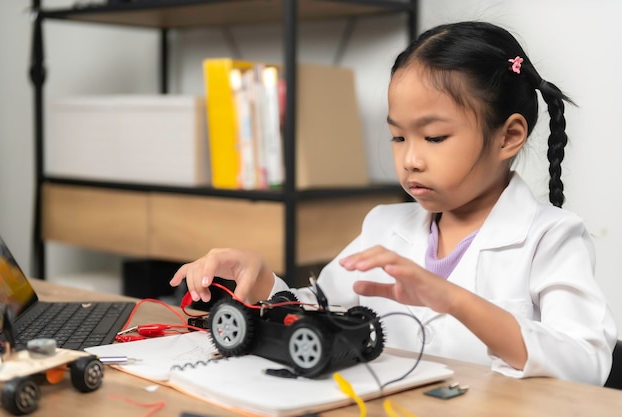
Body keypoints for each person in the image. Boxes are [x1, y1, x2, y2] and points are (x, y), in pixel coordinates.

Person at [170, 21, 617, 385]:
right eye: (398, 137)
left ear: (509, 136)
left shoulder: (551, 238)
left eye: (435, 137)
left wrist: (454, 300)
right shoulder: (385, 225)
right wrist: (264, 280)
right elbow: (325, 316)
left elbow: (586, 366)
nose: (411, 160)